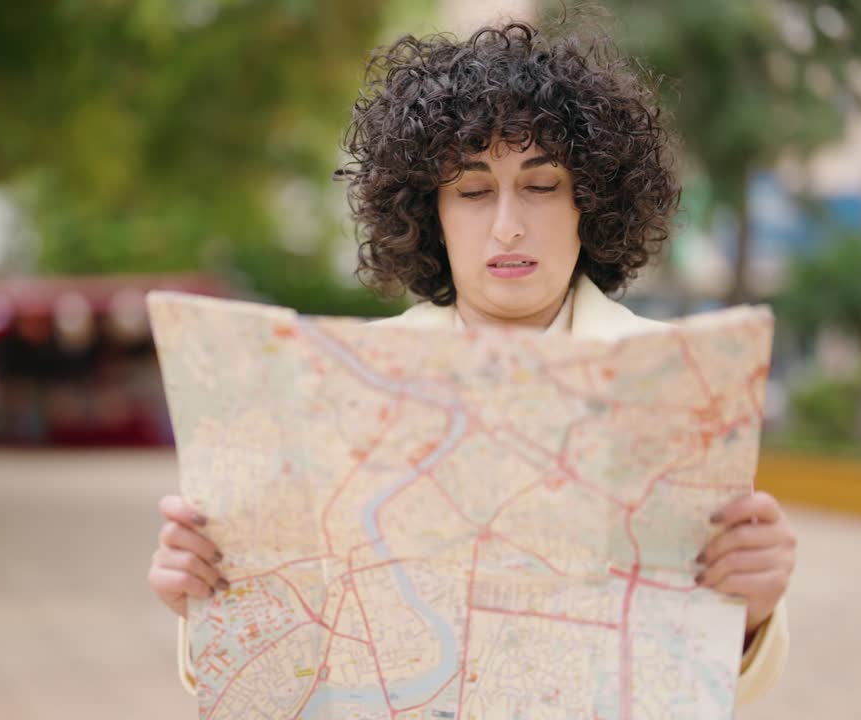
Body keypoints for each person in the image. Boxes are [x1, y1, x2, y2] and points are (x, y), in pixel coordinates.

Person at [149, 20, 794, 707]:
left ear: (592, 202)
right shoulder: (339, 388)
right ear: (431, 211)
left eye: (542, 185)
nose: (508, 225)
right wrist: (204, 600)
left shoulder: (678, 385)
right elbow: (281, 663)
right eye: (474, 191)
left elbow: (700, 672)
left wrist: (752, 612)